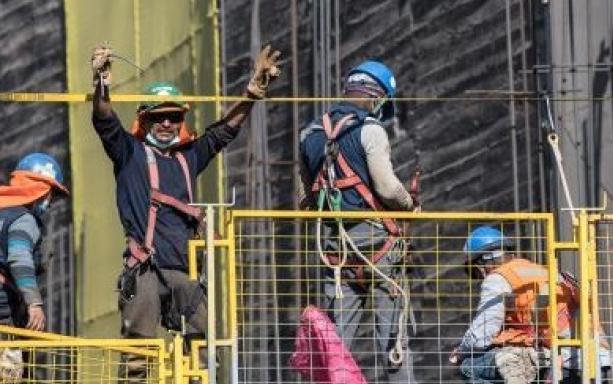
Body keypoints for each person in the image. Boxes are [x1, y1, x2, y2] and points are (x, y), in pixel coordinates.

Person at [90, 43, 281, 380]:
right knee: (139, 350)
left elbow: (223, 131)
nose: (167, 123)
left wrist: (252, 93)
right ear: (144, 119)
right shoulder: (129, 153)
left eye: (174, 117)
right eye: (159, 116)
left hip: (182, 270)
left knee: (205, 339)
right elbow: (104, 119)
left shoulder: (187, 156)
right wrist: (101, 83)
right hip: (145, 269)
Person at [300, 60, 416, 383]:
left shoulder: (309, 133)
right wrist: (409, 204)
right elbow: (387, 187)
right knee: (394, 342)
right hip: (378, 246)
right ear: (378, 97)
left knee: (335, 346)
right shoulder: (371, 129)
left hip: (335, 250)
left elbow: (307, 195)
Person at [451, 226, 611, 384]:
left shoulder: (498, 278)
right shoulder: (541, 271)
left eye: (476, 272)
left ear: (483, 262)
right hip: (596, 359)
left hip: (564, 361)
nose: (479, 277)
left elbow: (482, 334)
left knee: (469, 366)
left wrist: (462, 350)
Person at [0, 153, 70, 331]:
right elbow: (19, 258)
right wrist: (34, 303)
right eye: (51, 195)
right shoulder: (23, 219)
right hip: (3, 305)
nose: (51, 202)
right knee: (9, 358)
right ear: (41, 190)